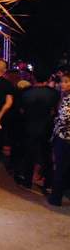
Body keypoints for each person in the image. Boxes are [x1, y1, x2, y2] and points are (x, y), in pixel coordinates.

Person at [16, 68, 60, 189]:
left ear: (33, 77)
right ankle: (48, 183)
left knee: (29, 154)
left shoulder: (26, 92)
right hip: (47, 127)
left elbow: (20, 110)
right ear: (48, 78)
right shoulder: (54, 93)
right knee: (47, 155)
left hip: (29, 126)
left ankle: (27, 181)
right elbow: (56, 111)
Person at [49, 71, 70, 206]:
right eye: (62, 81)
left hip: (65, 138)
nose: (63, 84)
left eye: (66, 81)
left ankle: (56, 198)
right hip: (63, 137)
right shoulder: (64, 96)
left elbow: (64, 118)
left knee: (61, 167)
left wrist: (56, 118)